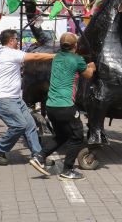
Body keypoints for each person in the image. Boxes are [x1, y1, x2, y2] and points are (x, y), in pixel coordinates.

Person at [0, 29, 54, 171]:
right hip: (3, 99)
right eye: (16, 39)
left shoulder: (3, 52)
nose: (18, 42)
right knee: (20, 125)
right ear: (11, 40)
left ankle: (38, 155)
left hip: (15, 98)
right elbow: (35, 57)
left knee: (30, 126)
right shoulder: (10, 53)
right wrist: (55, 56)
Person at [34, 32, 95, 180]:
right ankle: (68, 170)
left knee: (61, 135)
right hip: (65, 105)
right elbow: (88, 74)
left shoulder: (57, 58)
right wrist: (92, 66)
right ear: (76, 46)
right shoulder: (77, 59)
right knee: (77, 136)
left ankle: (39, 156)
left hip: (51, 105)